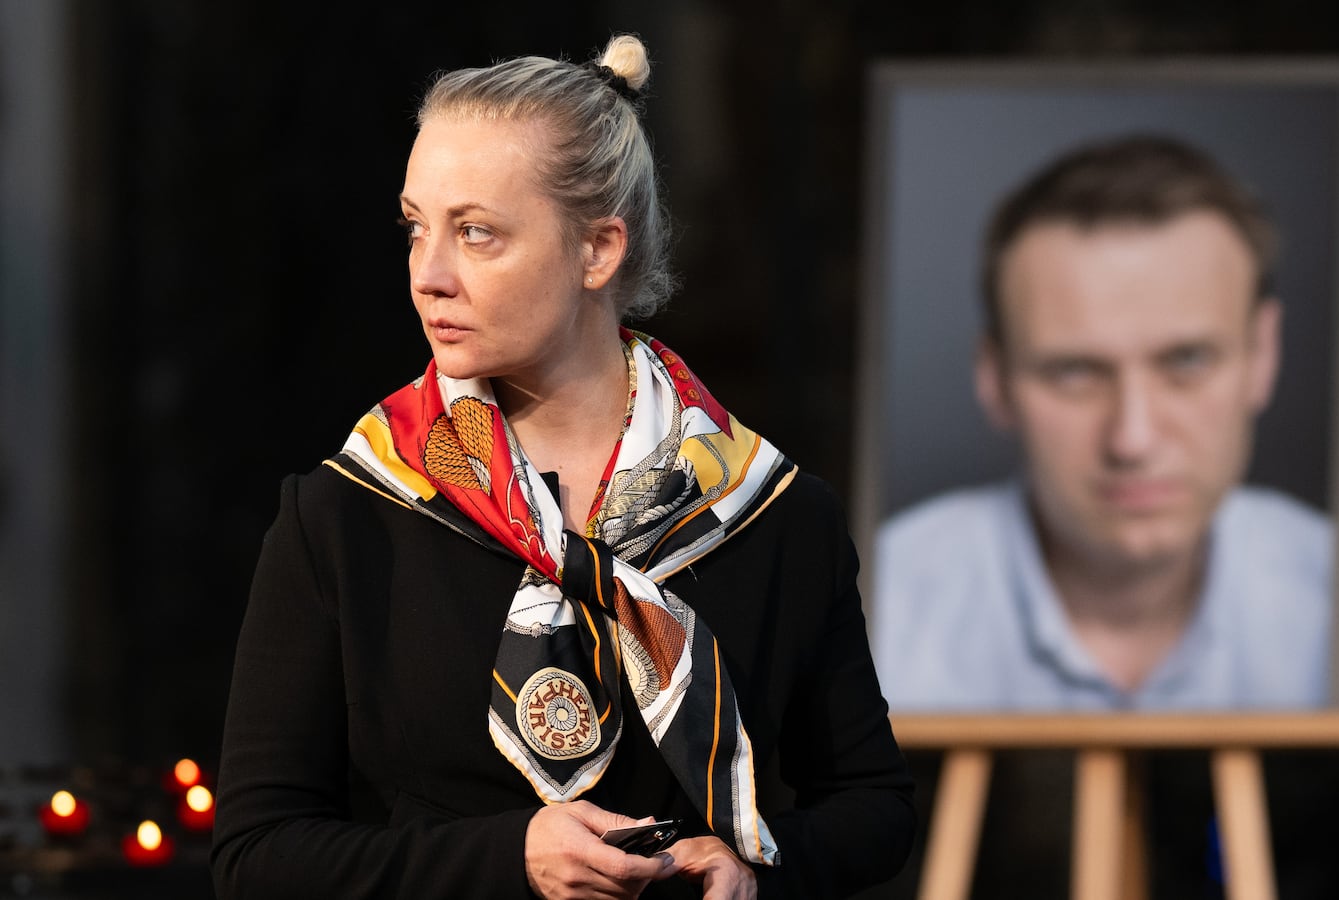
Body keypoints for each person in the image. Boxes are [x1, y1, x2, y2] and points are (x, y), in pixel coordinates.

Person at [212, 36, 914, 900]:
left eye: (476, 234)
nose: (427, 275)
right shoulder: (351, 511)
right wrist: (508, 859)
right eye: (414, 227)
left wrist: (756, 870)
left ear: (598, 251)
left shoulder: (770, 512)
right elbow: (256, 856)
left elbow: (873, 807)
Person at [871, 135, 1332, 712]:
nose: (1132, 440)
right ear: (994, 378)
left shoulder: (1338, 598)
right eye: (1073, 372)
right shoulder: (867, 611)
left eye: (1186, 362)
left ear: (1264, 354)